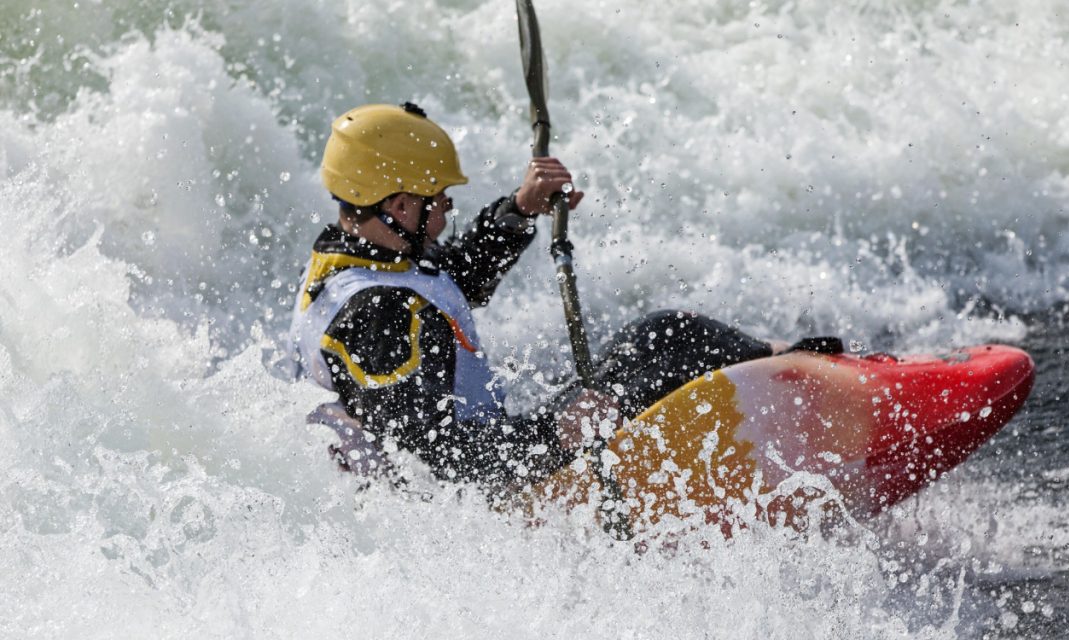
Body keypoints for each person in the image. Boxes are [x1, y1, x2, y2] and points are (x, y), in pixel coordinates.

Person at [290, 102, 780, 492]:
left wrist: (520, 210)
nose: (446, 208)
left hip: (489, 453)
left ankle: (790, 357)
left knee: (649, 342)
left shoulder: (352, 258)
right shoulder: (383, 317)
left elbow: (449, 279)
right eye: (439, 199)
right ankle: (802, 365)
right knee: (666, 337)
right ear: (399, 205)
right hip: (489, 492)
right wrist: (556, 432)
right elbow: (433, 459)